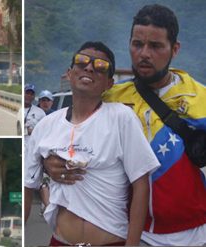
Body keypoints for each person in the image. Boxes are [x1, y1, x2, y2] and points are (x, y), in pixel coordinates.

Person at [43, 4, 206, 246]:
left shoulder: (200, 98)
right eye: (137, 44)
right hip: (128, 234)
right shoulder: (109, 97)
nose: (144, 54)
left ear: (175, 48)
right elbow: (65, 135)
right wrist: (49, 164)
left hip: (194, 234)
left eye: (156, 46)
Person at [24, 41, 161, 246]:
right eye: (81, 62)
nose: (89, 67)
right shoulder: (46, 126)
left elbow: (141, 185)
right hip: (60, 241)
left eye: (100, 66)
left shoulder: (121, 118)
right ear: (69, 73)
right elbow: (28, 186)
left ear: (109, 83)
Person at [24, 83, 46, 149]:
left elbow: (45, 131)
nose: (29, 96)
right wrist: (27, 131)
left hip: (33, 149)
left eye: (31, 94)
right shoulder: (17, 109)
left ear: (34, 97)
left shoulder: (40, 112)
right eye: (27, 93)